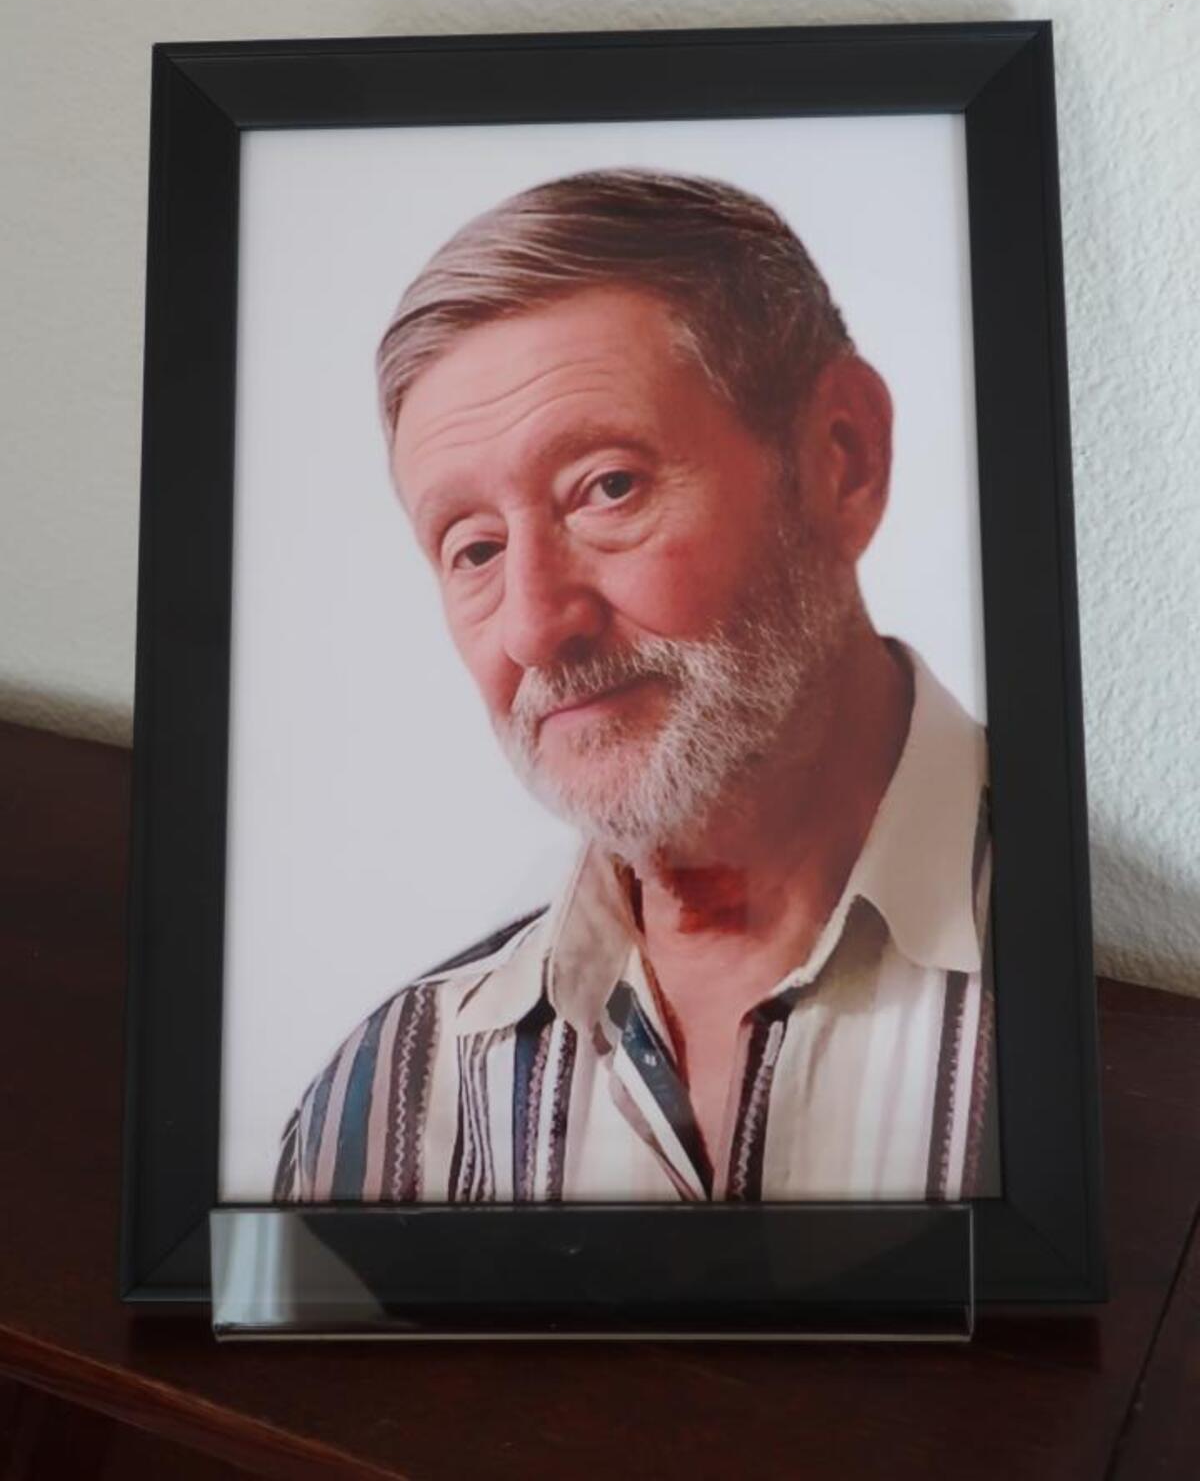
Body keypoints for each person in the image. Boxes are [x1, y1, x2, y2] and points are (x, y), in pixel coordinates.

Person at [273, 168, 997, 1206]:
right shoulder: (379, 1104)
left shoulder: (1118, 977)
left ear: (841, 458)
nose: (534, 626)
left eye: (608, 488)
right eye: (474, 549)